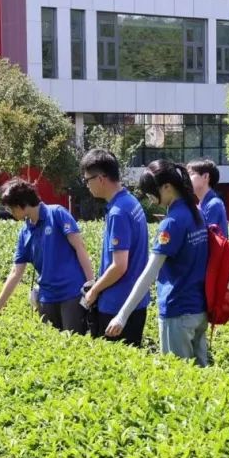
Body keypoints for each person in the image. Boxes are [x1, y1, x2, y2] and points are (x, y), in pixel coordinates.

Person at [108, 160, 210, 365]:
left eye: (151, 193)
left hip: (178, 312)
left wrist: (122, 315)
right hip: (199, 310)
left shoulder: (171, 223)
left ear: (167, 187)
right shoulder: (196, 213)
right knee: (201, 377)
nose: (150, 199)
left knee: (179, 377)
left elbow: (149, 273)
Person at [0, 178, 94, 333]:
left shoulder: (57, 213)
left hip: (71, 293)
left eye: (10, 208)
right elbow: (16, 271)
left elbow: (80, 248)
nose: (10, 213)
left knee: (74, 341)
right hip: (46, 298)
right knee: (50, 344)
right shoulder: (25, 232)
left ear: (21, 204)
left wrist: (91, 285)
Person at [77, 148, 149, 347]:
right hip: (135, 301)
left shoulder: (118, 212)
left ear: (101, 179)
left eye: (87, 180)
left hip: (117, 305)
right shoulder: (130, 202)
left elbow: (119, 266)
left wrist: (94, 291)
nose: (87, 185)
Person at [187, 159, 228, 237]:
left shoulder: (213, 204)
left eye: (191, 174)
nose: (187, 178)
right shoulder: (201, 204)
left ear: (205, 176)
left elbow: (203, 238)